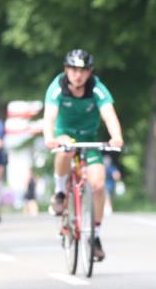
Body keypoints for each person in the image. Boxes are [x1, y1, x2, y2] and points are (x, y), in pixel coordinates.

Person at [43, 49, 125, 261]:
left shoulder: (97, 88)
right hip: (65, 135)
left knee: (98, 185)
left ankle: (95, 236)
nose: (77, 75)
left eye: (82, 70)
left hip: (89, 138)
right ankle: (60, 192)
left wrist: (116, 137)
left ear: (89, 73)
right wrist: (49, 136)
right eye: (73, 69)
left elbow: (109, 114)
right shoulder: (57, 88)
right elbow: (49, 117)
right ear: (66, 70)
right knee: (66, 149)